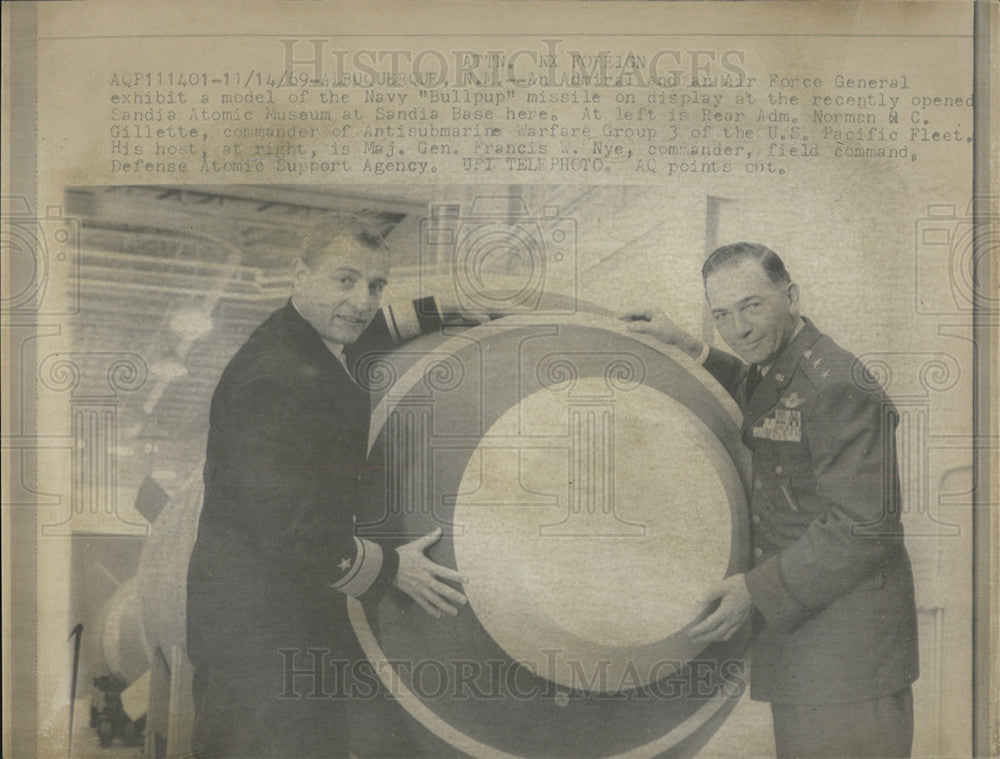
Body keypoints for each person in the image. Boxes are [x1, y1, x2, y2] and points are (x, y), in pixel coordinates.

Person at [186, 214, 473, 758]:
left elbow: (362, 336)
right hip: (256, 637)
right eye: (345, 280)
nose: (362, 301)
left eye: (375, 285)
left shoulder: (306, 342)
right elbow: (285, 526)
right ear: (300, 275)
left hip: (291, 621)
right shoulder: (270, 376)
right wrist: (391, 569)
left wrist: (442, 310)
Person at [621, 242, 919, 759]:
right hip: (810, 649)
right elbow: (759, 392)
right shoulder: (783, 365)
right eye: (722, 315)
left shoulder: (838, 384)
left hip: (851, 660)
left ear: (792, 297)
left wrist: (754, 590)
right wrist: (688, 345)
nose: (739, 329)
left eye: (752, 306)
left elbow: (864, 524)